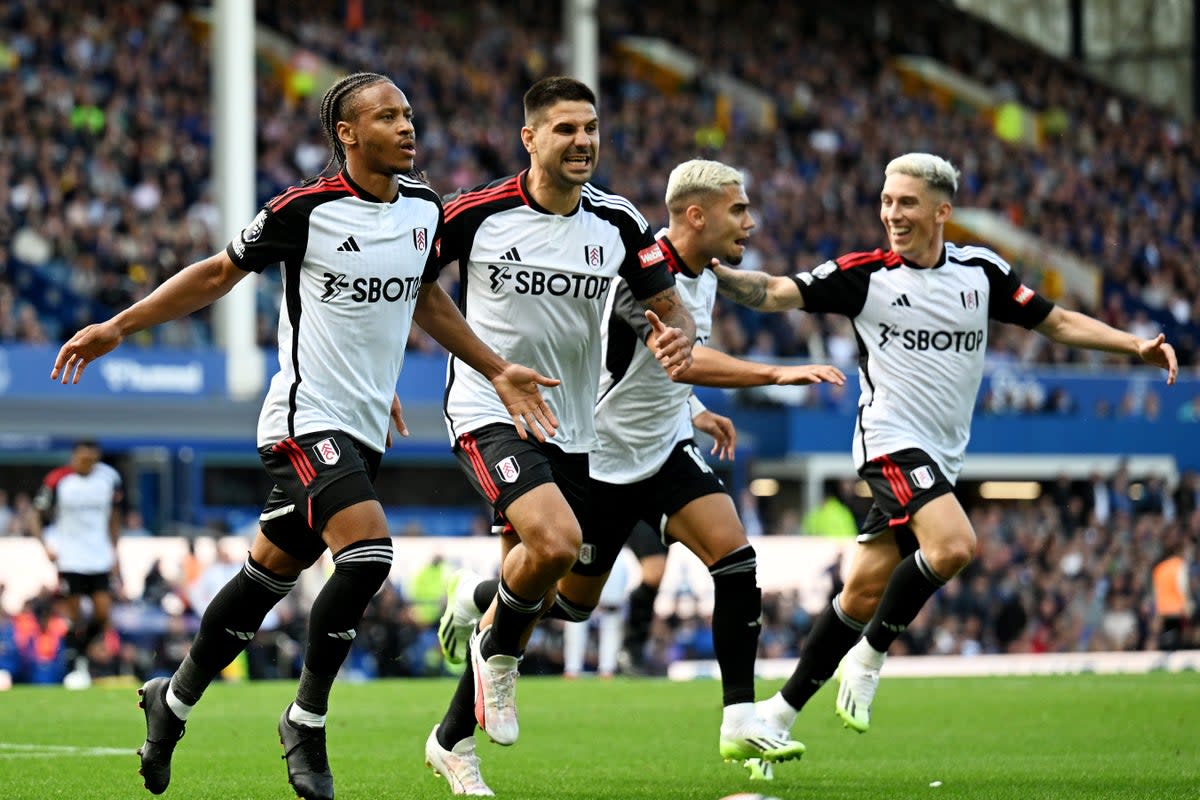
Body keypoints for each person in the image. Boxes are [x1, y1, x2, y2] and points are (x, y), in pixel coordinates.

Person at [51, 72, 557, 800]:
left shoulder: (423, 207)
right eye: (388, 117)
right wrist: (118, 326)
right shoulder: (305, 209)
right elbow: (218, 273)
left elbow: (421, 298)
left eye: (409, 114)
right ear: (348, 135)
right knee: (369, 554)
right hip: (302, 419)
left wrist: (495, 366)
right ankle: (306, 721)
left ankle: (175, 699)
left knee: (267, 577)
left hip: (361, 429)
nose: (408, 126)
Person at [704, 152, 1178, 746]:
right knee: (954, 546)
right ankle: (870, 656)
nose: (892, 214)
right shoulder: (866, 275)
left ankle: (776, 715)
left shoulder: (979, 273)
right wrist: (716, 272)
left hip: (941, 456)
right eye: (885, 201)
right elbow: (775, 292)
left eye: (905, 203)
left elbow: (1055, 323)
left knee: (862, 590)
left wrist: (1133, 344)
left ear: (941, 211)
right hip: (888, 442)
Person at [432, 158, 844, 793]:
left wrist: (698, 412)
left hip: (666, 450)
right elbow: (677, 359)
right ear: (696, 215)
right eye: (738, 210)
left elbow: (700, 343)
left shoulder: (712, 275)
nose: (750, 221)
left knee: (735, 556)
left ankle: (739, 715)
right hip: (600, 454)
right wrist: (774, 372)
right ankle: (479, 610)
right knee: (562, 603)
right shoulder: (635, 270)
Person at [423, 77, 697, 797]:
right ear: (531, 138)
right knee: (553, 546)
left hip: (572, 425)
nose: (582, 141)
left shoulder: (618, 221)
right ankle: (498, 659)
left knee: (551, 594)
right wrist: (488, 367)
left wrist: (679, 341)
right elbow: (415, 289)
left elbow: (670, 303)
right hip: (488, 407)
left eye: (591, 128)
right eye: (566, 129)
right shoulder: (476, 214)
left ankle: (451, 741)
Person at [28, 439, 124, 688]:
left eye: (92, 460)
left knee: (103, 613)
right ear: (74, 457)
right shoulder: (58, 480)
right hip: (70, 558)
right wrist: (44, 545)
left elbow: (114, 517)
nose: (87, 464)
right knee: (75, 614)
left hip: (99, 557)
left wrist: (115, 552)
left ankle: (78, 654)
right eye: (83, 459)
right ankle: (75, 666)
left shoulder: (108, 479)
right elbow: (35, 514)